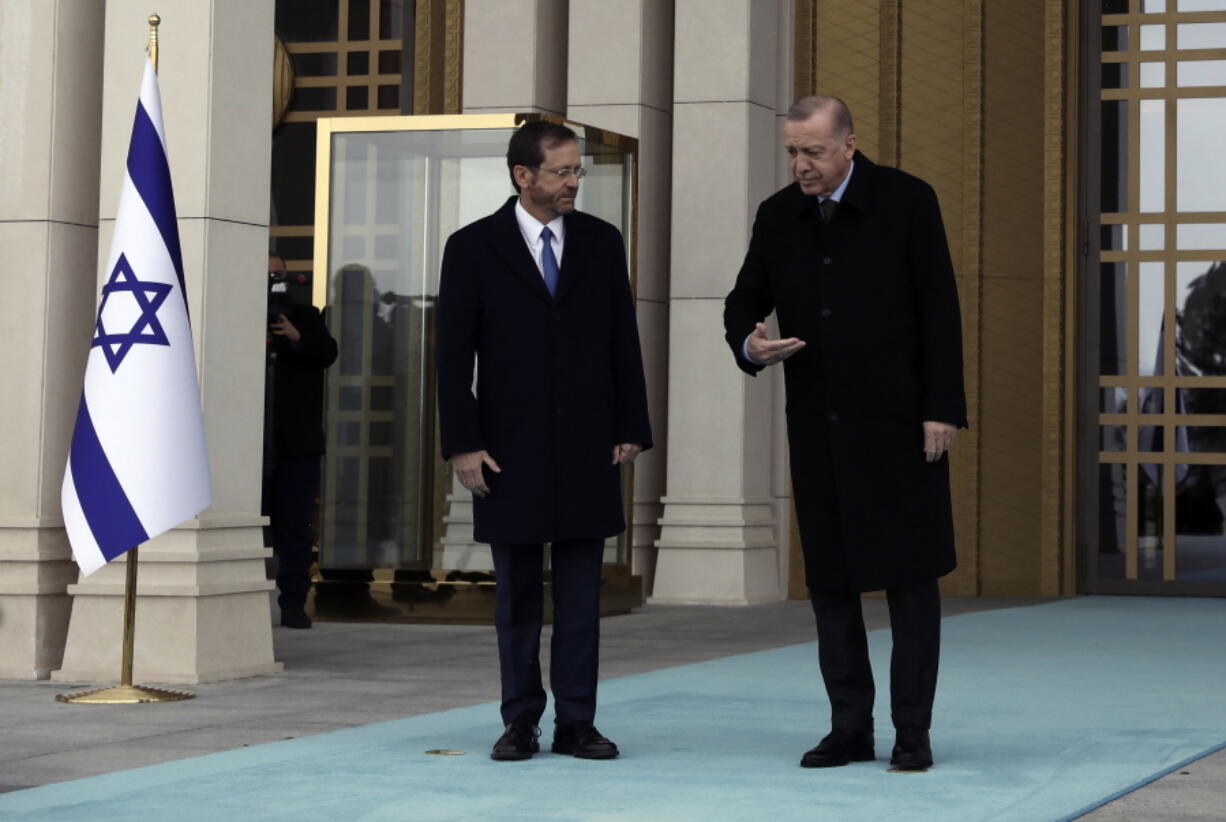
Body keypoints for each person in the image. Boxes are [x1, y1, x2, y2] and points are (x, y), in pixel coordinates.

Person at [723, 95, 967, 772]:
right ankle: (849, 728)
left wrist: (942, 409)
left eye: (814, 152)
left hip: (902, 428)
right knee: (832, 584)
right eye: (792, 152)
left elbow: (940, 310)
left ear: (850, 144)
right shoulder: (778, 215)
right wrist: (750, 341)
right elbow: (745, 296)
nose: (801, 165)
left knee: (912, 583)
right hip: (819, 427)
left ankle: (911, 732)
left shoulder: (909, 201)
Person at [436, 121, 652, 761]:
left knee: (583, 598)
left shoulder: (601, 242)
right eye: (562, 172)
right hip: (508, 449)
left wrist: (631, 425)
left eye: (577, 171)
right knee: (519, 599)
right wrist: (462, 444)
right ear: (522, 175)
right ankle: (521, 721)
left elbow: (623, 339)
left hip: (589, 444)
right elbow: (453, 358)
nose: (573, 183)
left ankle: (577, 723)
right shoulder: (472, 247)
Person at [263, 252, 338, 629]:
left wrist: (295, 336)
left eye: (279, 274)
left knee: (295, 529)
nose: (274, 281)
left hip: (297, 443)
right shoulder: (234, 311)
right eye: (267, 275)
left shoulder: (306, 316)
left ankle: (293, 602)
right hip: (250, 445)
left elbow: (327, 353)